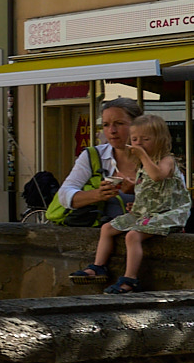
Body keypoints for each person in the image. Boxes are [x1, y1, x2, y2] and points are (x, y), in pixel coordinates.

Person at [75, 115, 191, 294]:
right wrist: (137, 203)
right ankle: (98, 266)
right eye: (135, 139)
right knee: (107, 228)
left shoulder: (167, 160)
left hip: (169, 214)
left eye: (145, 139)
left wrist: (143, 156)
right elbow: (150, 191)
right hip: (145, 212)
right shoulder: (142, 165)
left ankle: (130, 279)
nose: (139, 144)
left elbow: (157, 176)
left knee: (132, 236)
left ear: (160, 140)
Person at [56, 101, 140, 228]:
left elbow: (172, 202)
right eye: (106, 125)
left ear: (138, 125)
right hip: (101, 233)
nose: (112, 130)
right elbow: (64, 195)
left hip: (148, 235)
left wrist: (138, 193)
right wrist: (98, 194)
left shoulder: (157, 159)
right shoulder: (94, 156)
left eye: (119, 123)